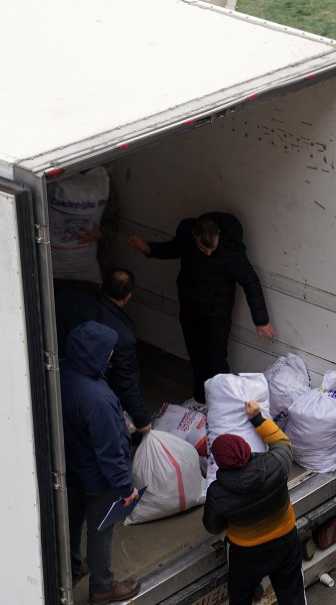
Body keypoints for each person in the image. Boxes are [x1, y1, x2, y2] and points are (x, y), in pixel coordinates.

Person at [128, 212, 274, 403]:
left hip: (217, 312)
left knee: (216, 359)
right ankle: (200, 400)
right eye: (203, 249)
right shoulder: (187, 238)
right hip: (190, 307)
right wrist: (148, 249)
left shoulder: (231, 250)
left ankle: (222, 403)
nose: (208, 253)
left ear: (219, 235)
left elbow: (250, 282)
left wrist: (261, 320)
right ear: (195, 236)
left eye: (212, 249)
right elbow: (172, 249)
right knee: (196, 356)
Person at [61, 321, 141, 604]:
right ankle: (103, 588)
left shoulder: (61, 374)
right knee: (100, 532)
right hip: (98, 479)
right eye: (108, 352)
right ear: (95, 353)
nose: (111, 357)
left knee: (70, 520)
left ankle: (69, 568)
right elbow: (109, 451)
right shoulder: (98, 399)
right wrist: (124, 487)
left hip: (71, 467)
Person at [202, 401, 305, 605]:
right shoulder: (276, 464)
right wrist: (257, 419)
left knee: (240, 597)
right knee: (292, 594)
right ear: (246, 448)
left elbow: (213, 526)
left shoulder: (217, 493)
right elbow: (282, 443)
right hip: (285, 540)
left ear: (220, 463)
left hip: (246, 554)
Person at [55, 269, 151, 431]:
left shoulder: (78, 300)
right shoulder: (123, 335)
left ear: (102, 286)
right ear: (128, 296)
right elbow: (126, 380)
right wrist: (142, 419)